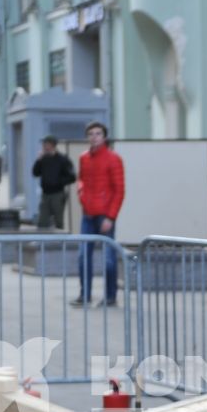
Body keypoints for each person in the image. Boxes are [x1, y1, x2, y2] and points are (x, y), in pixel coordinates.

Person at [72, 122, 123, 307]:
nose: (94, 137)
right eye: (91, 134)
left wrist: (110, 217)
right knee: (83, 255)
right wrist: (81, 195)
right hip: (88, 214)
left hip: (105, 216)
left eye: (98, 133)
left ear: (104, 137)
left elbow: (119, 190)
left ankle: (110, 296)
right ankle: (85, 294)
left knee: (109, 258)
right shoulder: (84, 158)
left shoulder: (113, 159)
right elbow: (81, 181)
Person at [31, 136, 74, 229]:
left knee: (58, 221)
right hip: (45, 194)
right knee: (42, 221)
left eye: (47, 144)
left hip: (58, 194)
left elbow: (72, 177)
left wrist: (58, 182)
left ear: (53, 145)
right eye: (44, 145)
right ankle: (42, 241)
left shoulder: (62, 159)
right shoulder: (43, 159)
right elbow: (35, 173)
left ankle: (60, 241)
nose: (45, 147)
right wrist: (38, 160)